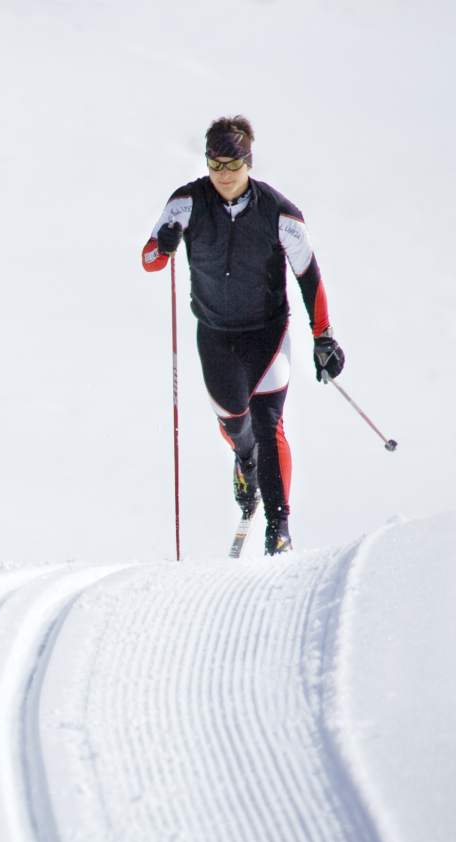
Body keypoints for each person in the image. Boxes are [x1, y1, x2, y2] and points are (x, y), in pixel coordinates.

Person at [141, 116, 345, 555]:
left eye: (232, 165)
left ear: (248, 163)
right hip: (214, 334)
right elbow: (150, 259)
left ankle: (279, 528)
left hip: (267, 334)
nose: (224, 175)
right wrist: (167, 243)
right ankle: (244, 460)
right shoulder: (187, 202)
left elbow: (309, 275)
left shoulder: (280, 212)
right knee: (235, 423)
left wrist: (323, 336)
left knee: (269, 423)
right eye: (215, 165)